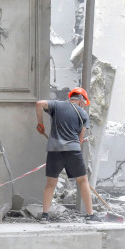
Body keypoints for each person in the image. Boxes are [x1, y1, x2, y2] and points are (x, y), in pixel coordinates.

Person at [35, 87, 95, 222]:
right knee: (83, 181)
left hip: (54, 150)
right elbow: (80, 139)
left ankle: (45, 215)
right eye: (84, 103)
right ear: (81, 100)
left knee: (51, 183)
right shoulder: (83, 115)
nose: (84, 106)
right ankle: (90, 215)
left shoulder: (57, 105)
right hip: (73, 150)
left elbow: (39, 104)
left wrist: (40, 123)